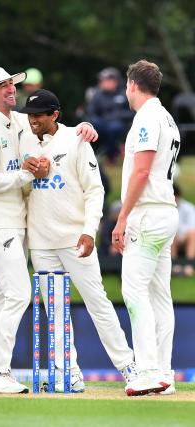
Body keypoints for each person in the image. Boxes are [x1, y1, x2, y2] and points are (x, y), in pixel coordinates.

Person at [0, 67, 97, 394]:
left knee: (3, 295)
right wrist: (26, 175)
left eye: (11, 83)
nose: (11, 89)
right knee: (19, 293)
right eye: (3, 85)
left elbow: (56, 126)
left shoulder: (17, 120)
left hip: (16, 220)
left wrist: (84, 129)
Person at [18, 89, 137, 393]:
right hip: (42, 242)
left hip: (75, 239)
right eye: (30, 115)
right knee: (55, 311)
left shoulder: (76, 140)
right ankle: (67, 373)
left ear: (54, 115)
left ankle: (129, 368)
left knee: (98, 302)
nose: (33, 121)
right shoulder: (24, 140)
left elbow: (95, 190)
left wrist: (89, 230)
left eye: (39, 115)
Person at [112, 59, 180, 396]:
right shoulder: (166, 117)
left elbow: (141, 172)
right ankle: (164, 373)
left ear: (133, 85)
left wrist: (122, 216)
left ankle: (149, 370)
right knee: (158, 295)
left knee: (134, 291)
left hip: (148, 213)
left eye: (126, 85)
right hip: (166, 211)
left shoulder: (147, 118)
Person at [86, 67, 135, 163]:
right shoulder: (97, 95)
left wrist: (117, 115)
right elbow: (91, 112)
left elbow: (133, 112)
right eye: (102, 80)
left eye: (106, 80)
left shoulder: (125, 93)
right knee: (91, 124)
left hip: (120, 124)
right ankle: (97, 154)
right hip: (103, 123)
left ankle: (111, 155)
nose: (103, 83)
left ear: (115, 81)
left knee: (113, 128)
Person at [172, 184, 195, 277]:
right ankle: (174, 265)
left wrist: (181, 236)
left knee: (193, 234)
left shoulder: (188, 208)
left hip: (186, 237)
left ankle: (189, 265)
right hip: (172, 239)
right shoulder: (164, 210)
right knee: (171, 234)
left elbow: (192, 226)